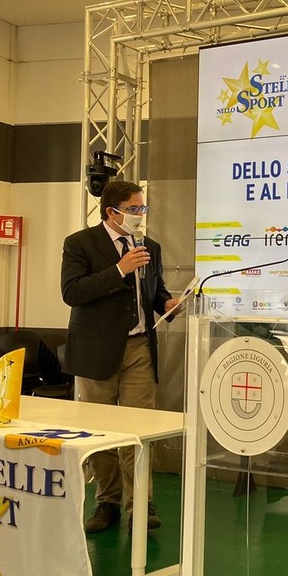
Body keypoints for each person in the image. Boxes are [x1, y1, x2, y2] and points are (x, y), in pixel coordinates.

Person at [61, 180, 179, 533]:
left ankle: (140, 503)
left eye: (143, 208)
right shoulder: (80, 243)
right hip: (96, 350)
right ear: (112, 211)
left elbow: (155, 290)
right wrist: (119, 270)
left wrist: (167, 303)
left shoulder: (149, 247)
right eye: (134, 209)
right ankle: (107, 502)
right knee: (100, 431)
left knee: (138, 429)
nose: (140, 215)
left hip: (139, 347)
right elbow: (72, 292)